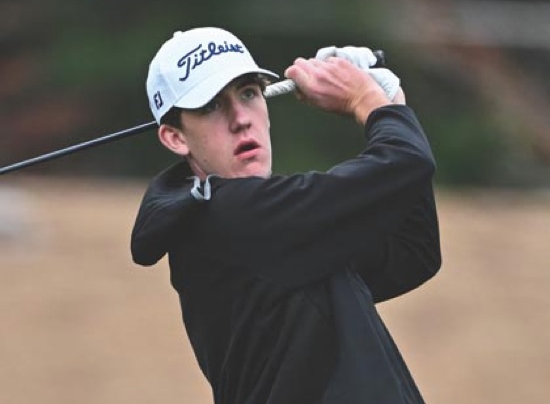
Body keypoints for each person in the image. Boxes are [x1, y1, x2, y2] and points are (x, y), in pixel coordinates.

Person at [131, 27, 441, 404]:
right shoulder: (237, 218)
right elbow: (406, 162)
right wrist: (367, 100)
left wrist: (390, 100)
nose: (240, 118)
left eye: (248, 93)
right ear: (176, 137)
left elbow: (412, 252)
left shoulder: (235, 223)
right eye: (211, 106)